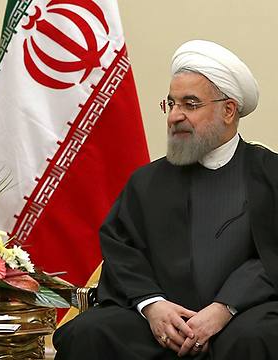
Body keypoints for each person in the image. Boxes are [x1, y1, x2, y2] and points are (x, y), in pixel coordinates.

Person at [54, 40, 278, 359]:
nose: (174, 116)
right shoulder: (147, 181)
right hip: (158, 324)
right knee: (90, 332)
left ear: (229, 110)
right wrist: (152, 305)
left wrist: (225, 307)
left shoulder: (270, 175)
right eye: (171, 104)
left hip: (242, 317)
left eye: (190, 104)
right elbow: (121, 251)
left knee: (259, 337)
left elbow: (272, 256)